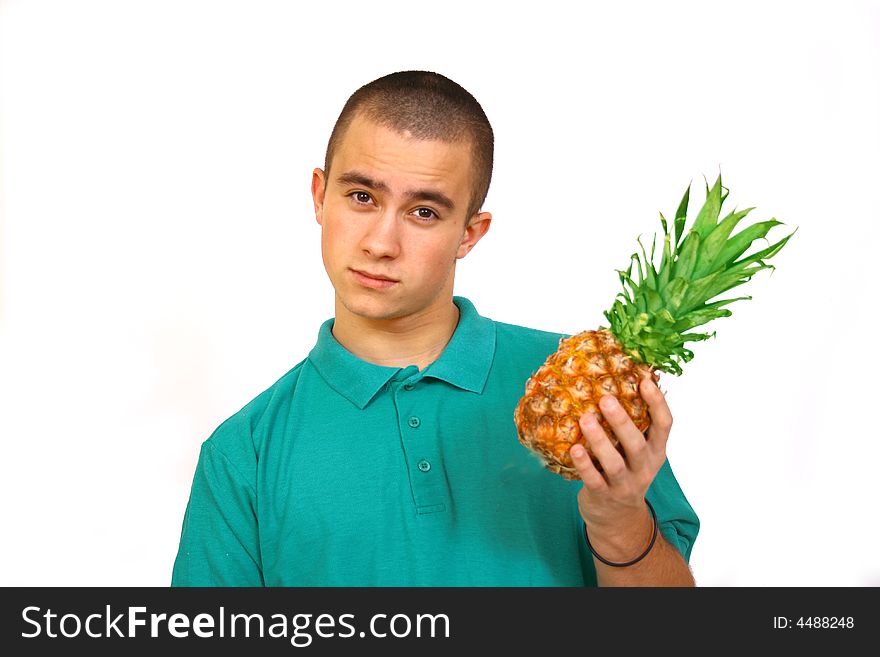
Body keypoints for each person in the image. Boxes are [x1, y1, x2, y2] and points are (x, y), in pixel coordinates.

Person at [171, 70, 699, 587]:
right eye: (362, 197)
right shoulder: (244, 451)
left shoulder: (586, 397)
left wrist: (620, 523)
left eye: (423, 211)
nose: (381, 242)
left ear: (469, 234)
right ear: (319, 195)